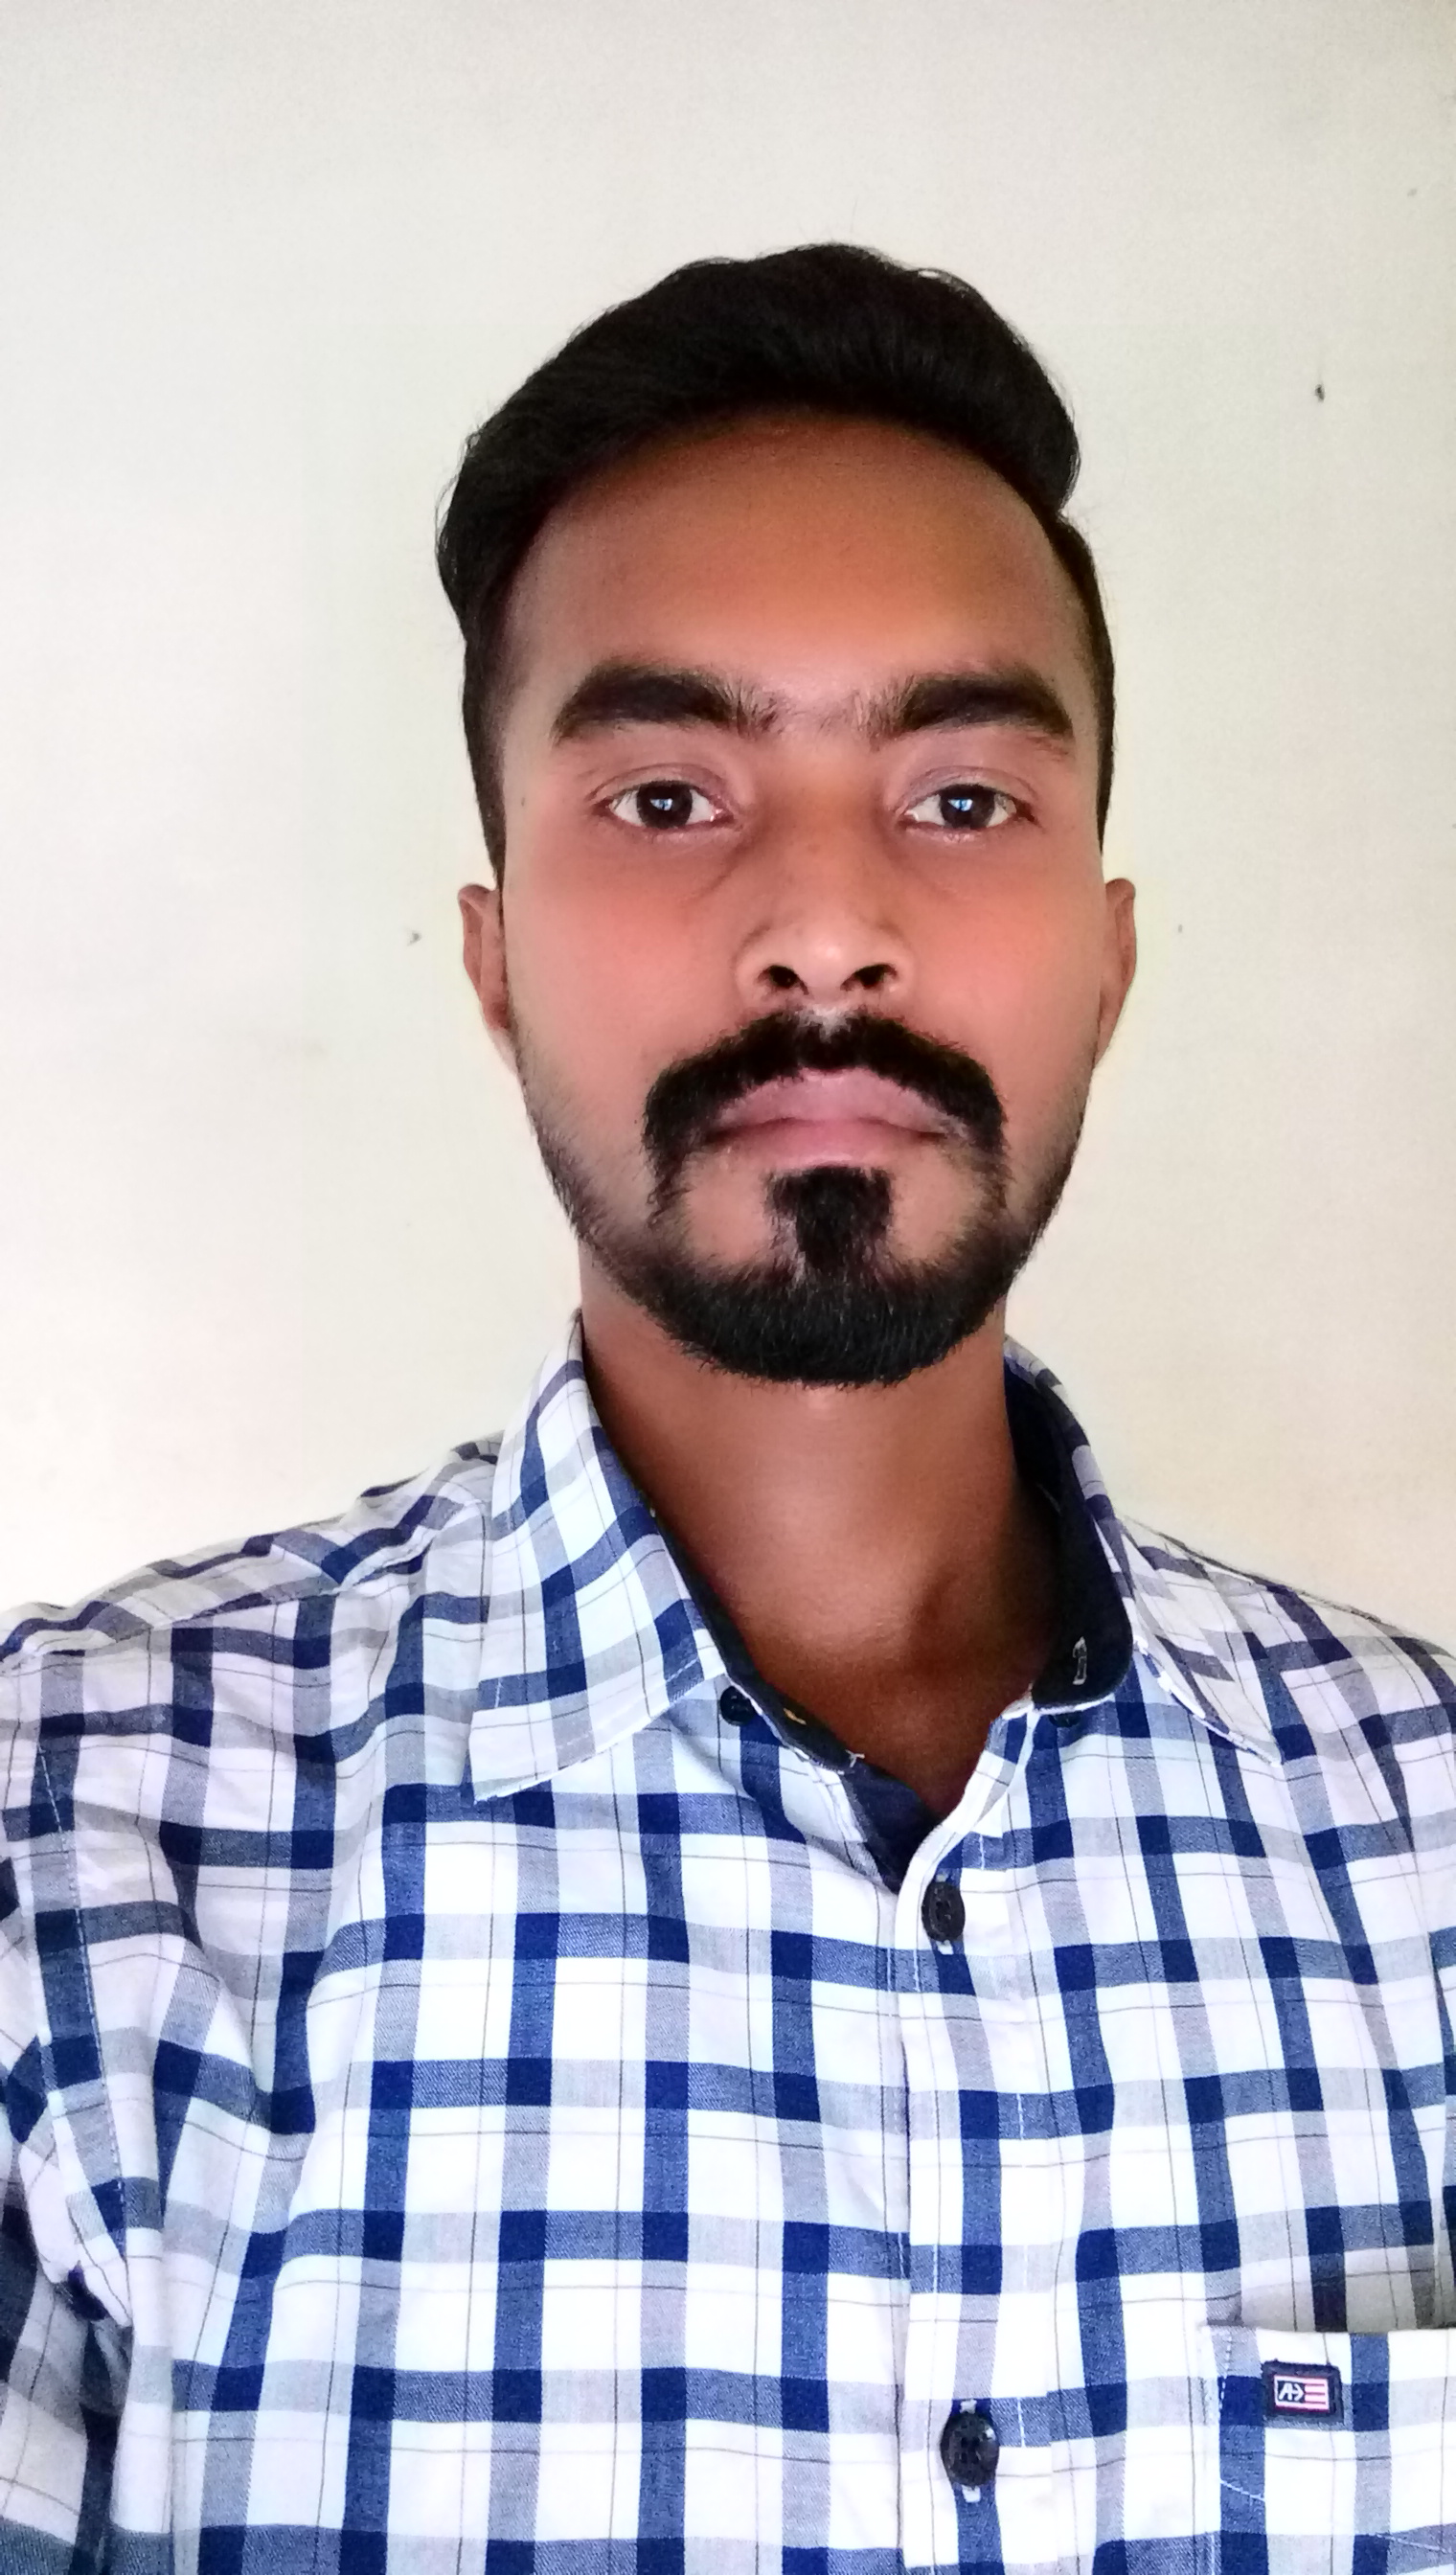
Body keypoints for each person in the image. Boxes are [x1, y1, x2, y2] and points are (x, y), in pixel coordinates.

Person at [1, 243, 1451, 2575]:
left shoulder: (1428, 1840)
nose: (823, 932)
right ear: (493, 961)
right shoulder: (72, 1851)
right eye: (668, 795)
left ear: (1106, 956)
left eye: (959, 796)